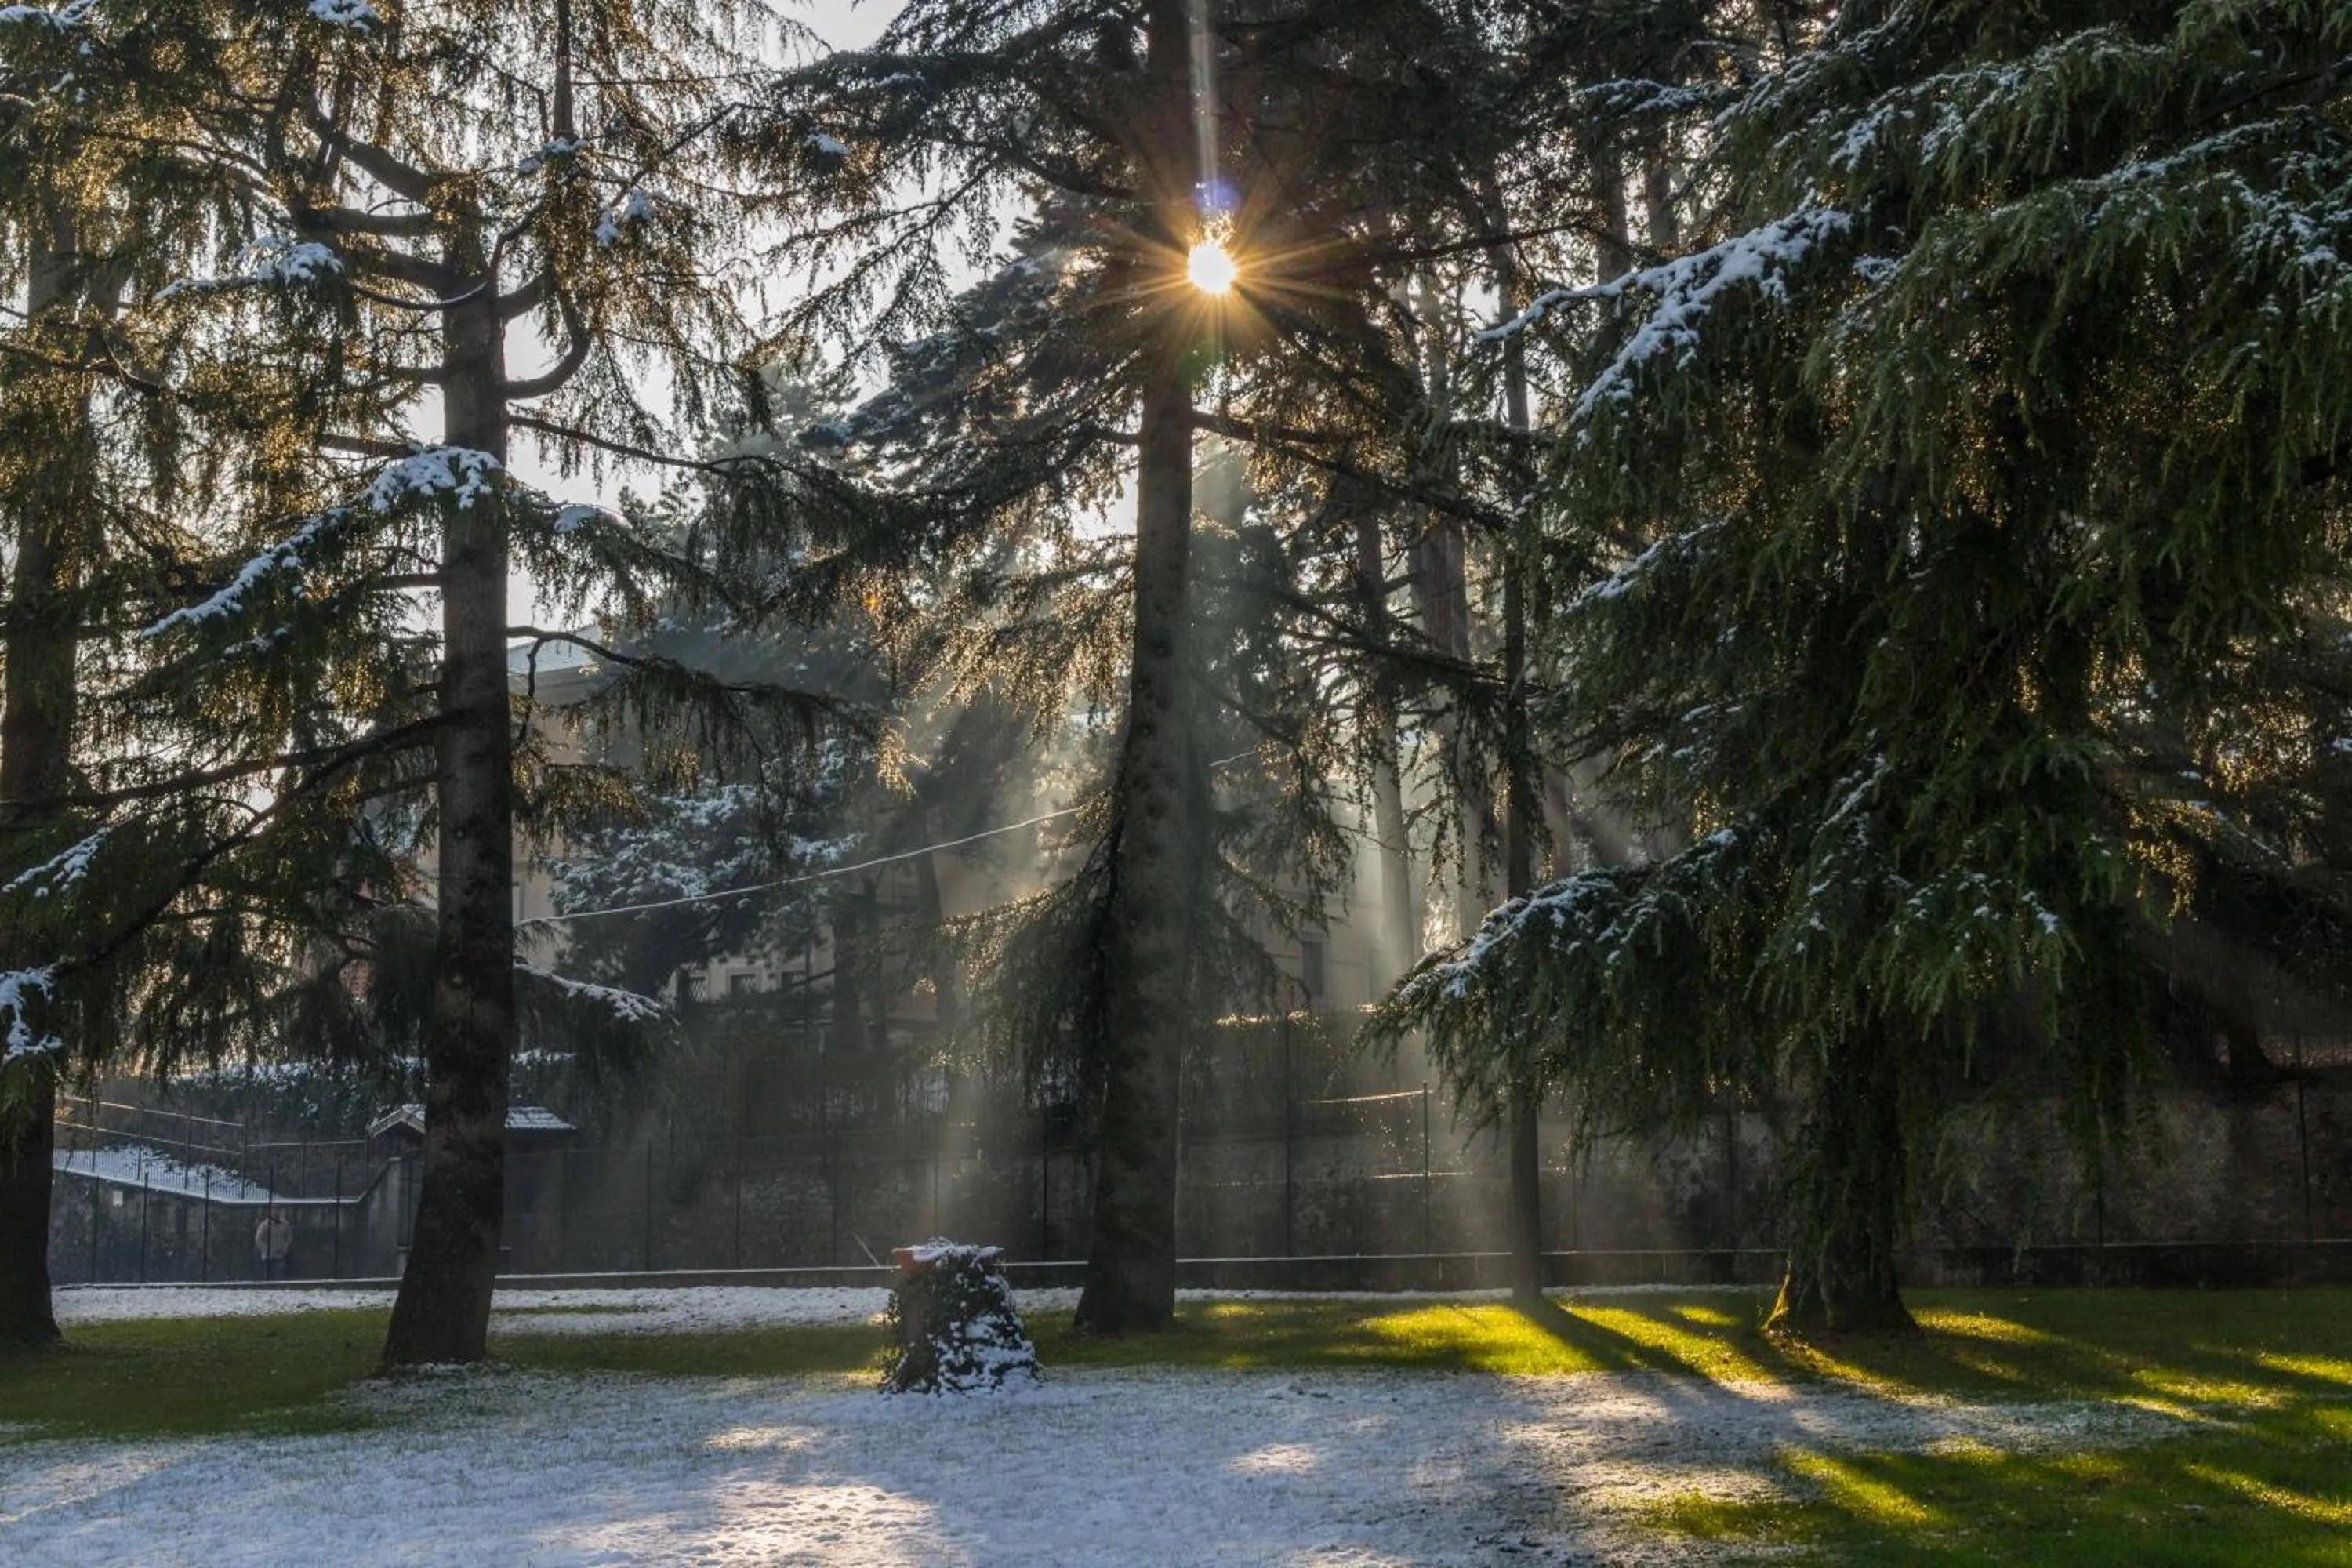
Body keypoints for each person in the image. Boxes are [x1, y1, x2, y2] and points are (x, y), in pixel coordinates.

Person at [254, 1207, 293, 1281]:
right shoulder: (265, 1225)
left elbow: (289, 1237)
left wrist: (284, 1248)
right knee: (269, 1277)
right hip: (268, 1257)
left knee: (280, 1276)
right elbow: (258, 1239)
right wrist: (267, 1250)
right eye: (274, 1210)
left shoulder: (285, 1224)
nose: (276, 1212)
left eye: (278, 1210)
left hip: (280, 1255)